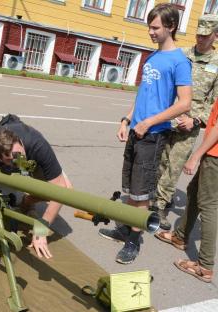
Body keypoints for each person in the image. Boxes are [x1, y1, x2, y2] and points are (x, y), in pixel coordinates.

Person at [98, 3, 192, 264]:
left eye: (155, 27)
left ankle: (133, 240)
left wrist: (149, 122)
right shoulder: (152, 57)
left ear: (171, 27)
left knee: (141, 193)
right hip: (136, 131)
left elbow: (184, 103)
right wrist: (127, 119)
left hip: (153, 135)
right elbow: (144, 95)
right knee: (129, 188)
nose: (150, 32)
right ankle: (125, 227)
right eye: (149, 27)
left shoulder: (179, 61)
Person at [0, 114, 72, 259]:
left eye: (20, 155)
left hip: (32, 159)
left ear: (21, 144)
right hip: (2, 169)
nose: (19, 161)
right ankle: (17, 194)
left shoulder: (37, 144)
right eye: (12, 159)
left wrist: (40, 230)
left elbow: (60, 190)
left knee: (68, 189)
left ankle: (27, 202)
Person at [151, 14, 218, 231]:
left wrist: (195, 120)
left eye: (205, 36)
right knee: (160, 161)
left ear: (215, 36)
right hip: (169, 117)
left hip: (191, 123)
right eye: (198, 34)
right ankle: (154, 197)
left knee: (175, 164)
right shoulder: (182, 55)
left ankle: (159, 205)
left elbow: (214, 102)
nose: (200, 38)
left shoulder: (217, 64)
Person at [155, 97, 218, 283]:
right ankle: (180, 237)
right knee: (193, 191)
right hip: (213, 154)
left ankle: (205, 266)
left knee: (208, 205)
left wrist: (196, 156)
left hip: (214, 156)